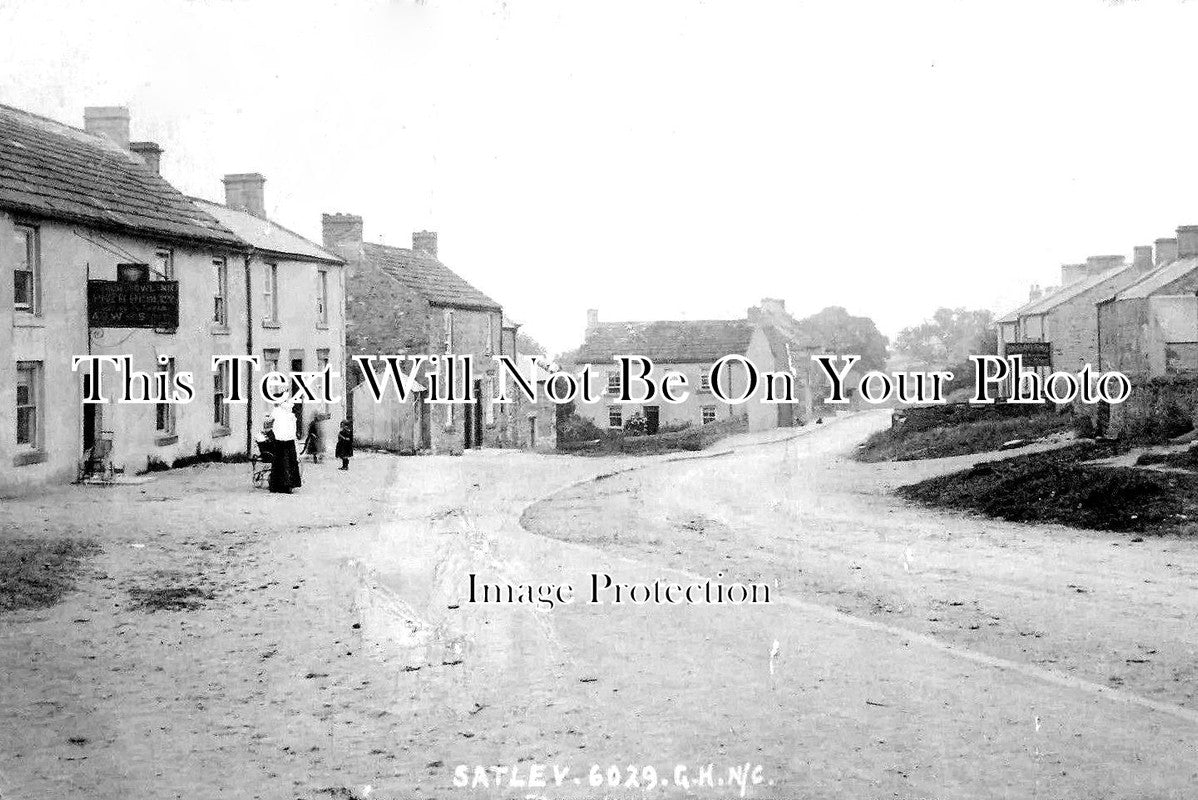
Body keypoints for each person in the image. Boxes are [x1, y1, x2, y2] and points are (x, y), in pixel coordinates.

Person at [268, 400, 302, 493]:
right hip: (288, 442)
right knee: (288, 464)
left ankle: (279, 485)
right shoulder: (291, 416)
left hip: (280, 442)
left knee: (281, 464)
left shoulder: (278, 414)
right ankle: (288, 484)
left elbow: (271, 427)